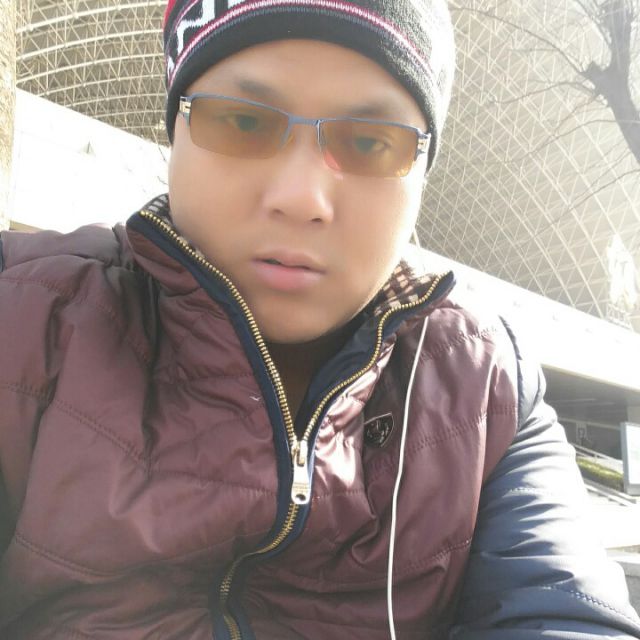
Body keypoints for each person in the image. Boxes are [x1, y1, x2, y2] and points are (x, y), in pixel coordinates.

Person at [1, 1, 639, 638]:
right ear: (175, 135)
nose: (301, 197)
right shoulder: (23, 323)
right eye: (243, 121)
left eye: (369, 142)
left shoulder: (487, 395)